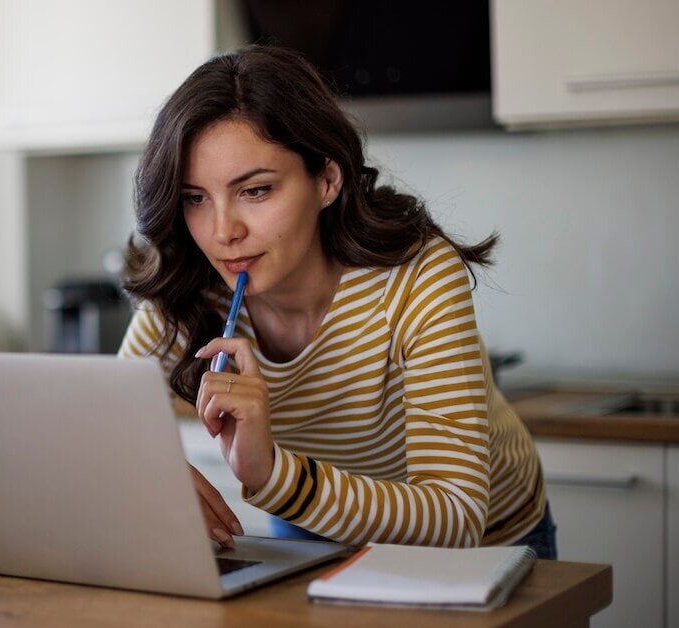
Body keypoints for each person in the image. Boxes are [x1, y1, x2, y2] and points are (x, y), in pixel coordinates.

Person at [117, 45, 555, 559]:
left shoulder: (416, 274)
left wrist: (274, 475)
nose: (222, 233)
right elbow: (106, 427)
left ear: (326, 179)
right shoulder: (192, 283)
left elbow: (456, 514)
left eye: (255, 191)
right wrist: (151, 472)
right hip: (314, 526)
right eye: (195, 198)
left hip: (486, 544)